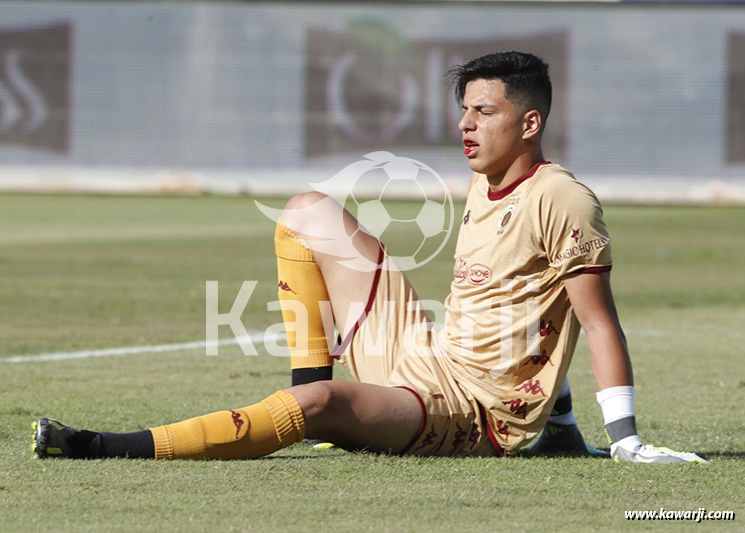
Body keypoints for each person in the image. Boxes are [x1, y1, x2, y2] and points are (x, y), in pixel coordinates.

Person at [32, 51, 705, 464]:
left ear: (529, 122)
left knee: (321, 402)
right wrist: (559, 424)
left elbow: (592, 321)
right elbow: (527, 304)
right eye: (463, 110)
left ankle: (101, 443)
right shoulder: (486, 179)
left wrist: (622, 438)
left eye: (483, 111)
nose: (466, 125)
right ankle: (309, 390)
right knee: (305, 212)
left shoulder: (563, 199)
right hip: (428, 354)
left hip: (476, 411)